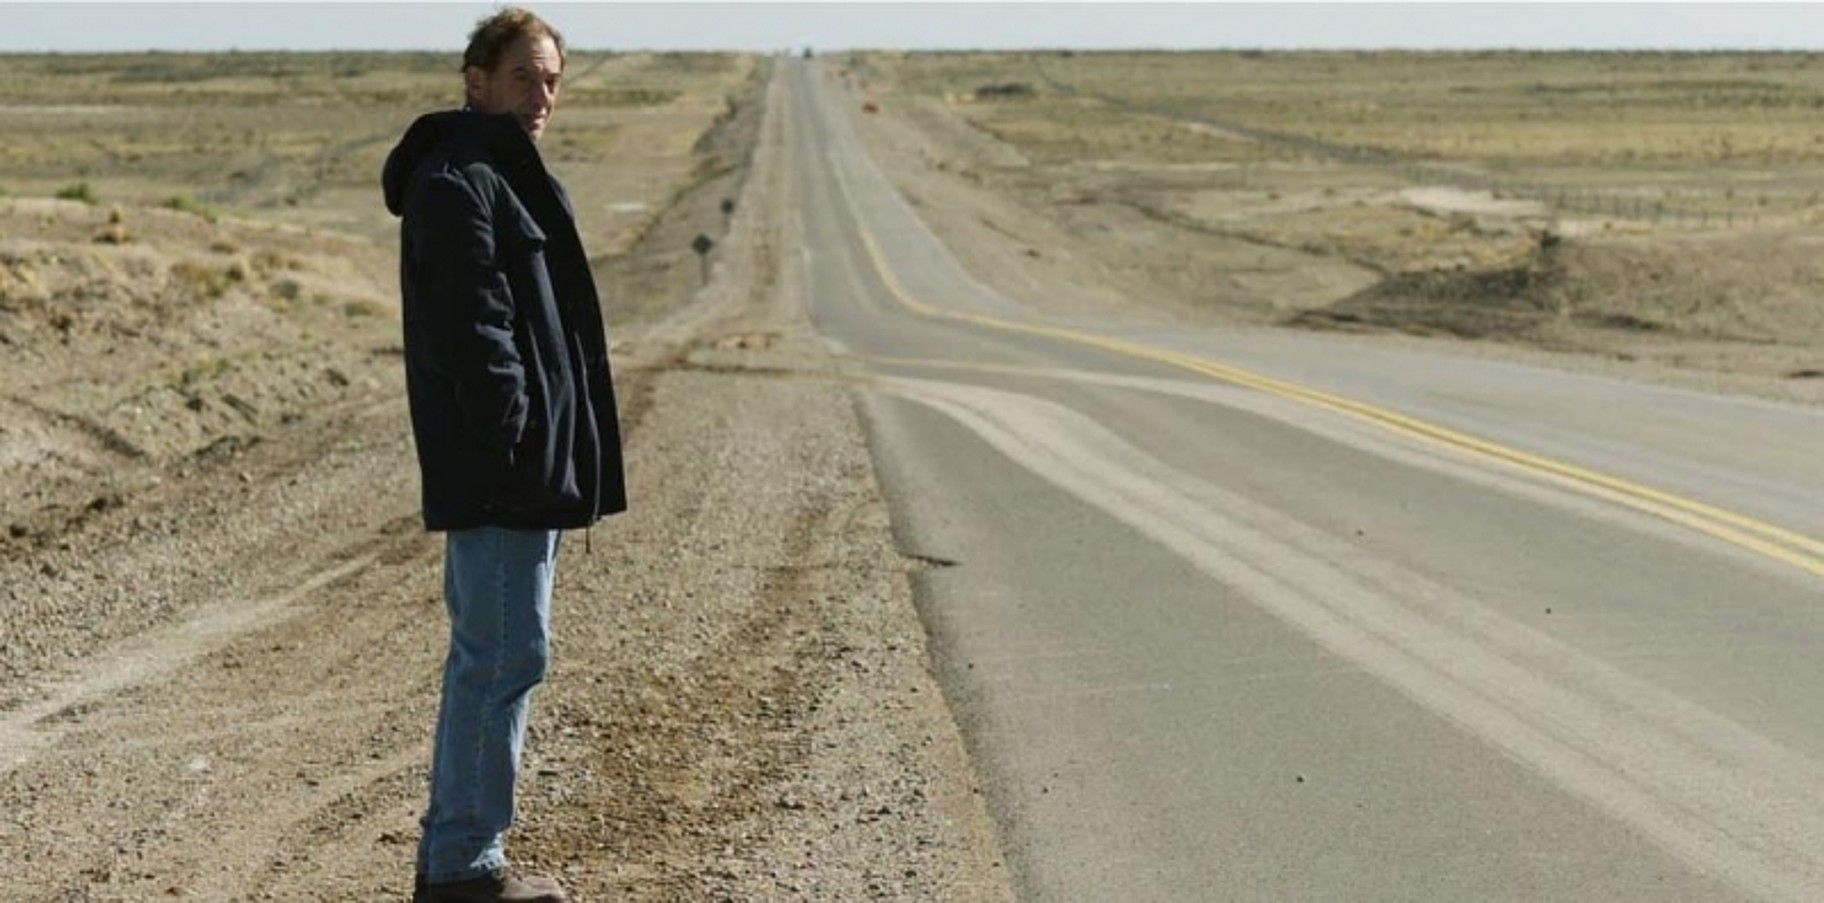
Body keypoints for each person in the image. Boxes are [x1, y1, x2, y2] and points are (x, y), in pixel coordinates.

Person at [381, 7, 626, 901]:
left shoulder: (504, 177)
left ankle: (457, 857)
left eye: (554, 79)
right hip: (501, 477)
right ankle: (463, 868)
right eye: (525, 76)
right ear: (476, 80)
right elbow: (477, 335)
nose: (542, 95)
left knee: (501, 655)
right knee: (500, 657)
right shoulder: (458, 182)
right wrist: (516, 442)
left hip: (522, 474)